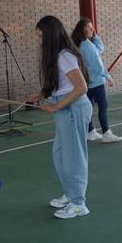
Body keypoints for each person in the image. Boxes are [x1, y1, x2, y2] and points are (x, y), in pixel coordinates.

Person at [29, 16, 93, 219]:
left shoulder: (64, 56)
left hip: (73, 109)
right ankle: (71, 193)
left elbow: (81, 87)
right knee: (60, 155)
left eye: (41, 36)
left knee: (73, 158)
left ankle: (78, 204)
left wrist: (57, 106)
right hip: (67, 109)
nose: (39, 40)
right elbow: (62, 84)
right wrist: (42, 94)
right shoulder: (59, 56)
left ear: (50, 36)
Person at [71, 18, 122, 143]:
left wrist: (95, 37)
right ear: (83, 29)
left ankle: (90, 131)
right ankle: (106, 133)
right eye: (89, 27)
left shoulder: (79, 44)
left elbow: (98, 51)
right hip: (96, 81)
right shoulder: (88, 46)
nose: (92, 29)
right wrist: (108, 76)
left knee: (89, 106)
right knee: (103, 106)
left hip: (86, 82)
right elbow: (97, 64)